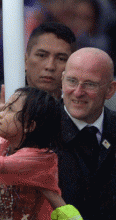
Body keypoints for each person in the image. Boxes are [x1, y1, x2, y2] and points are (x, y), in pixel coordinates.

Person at [0, 87, 82, 219]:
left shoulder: (40, 158)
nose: (0, 114)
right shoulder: (3, 146)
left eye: (10, 109)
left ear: (29, 126)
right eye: (5, 107)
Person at [0, 22, 76, 130]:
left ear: (71, 65)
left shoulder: (77, 106)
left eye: (61, 58)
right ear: (25, 60)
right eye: (42, 55)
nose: (50, 66)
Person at [58, 47, 116, 219]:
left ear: (110, 90)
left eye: (90, 84)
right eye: (72, 81)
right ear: (62, 81)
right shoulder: (40, 131)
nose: (78, 92)